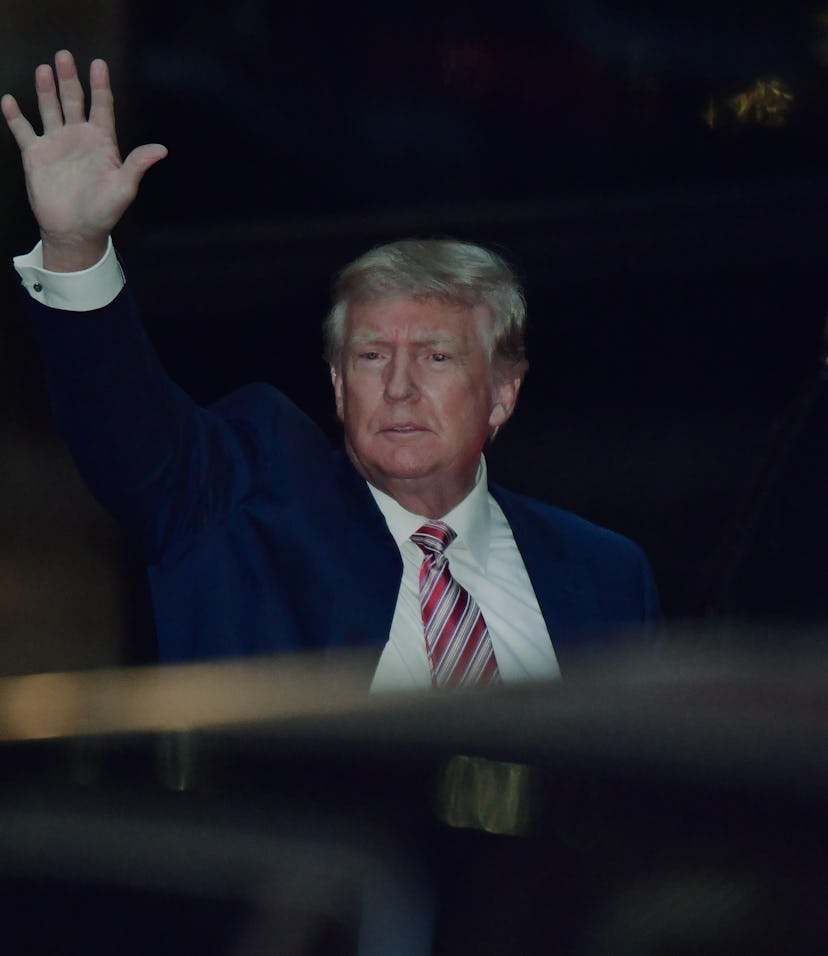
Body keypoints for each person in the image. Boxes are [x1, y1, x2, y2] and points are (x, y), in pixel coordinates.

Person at [3, 51, 659, 691]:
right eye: (372, 356)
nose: (398, 387)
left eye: (435, 357)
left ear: (503, 393)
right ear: (341, 387)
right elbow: (130, 435)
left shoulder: (603, 574)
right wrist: (76, 248)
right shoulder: (249, 513)